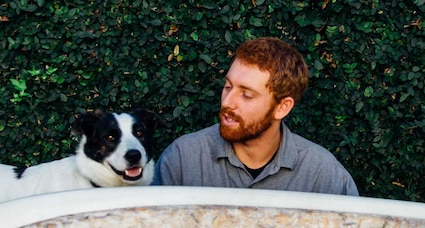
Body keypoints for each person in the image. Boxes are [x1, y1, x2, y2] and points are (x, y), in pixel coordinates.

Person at [152, 37, 359, 195]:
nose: (227, 102)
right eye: (227, 87)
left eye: (247, 95)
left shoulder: (322, 174)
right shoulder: (182, 159)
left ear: (282, 107)